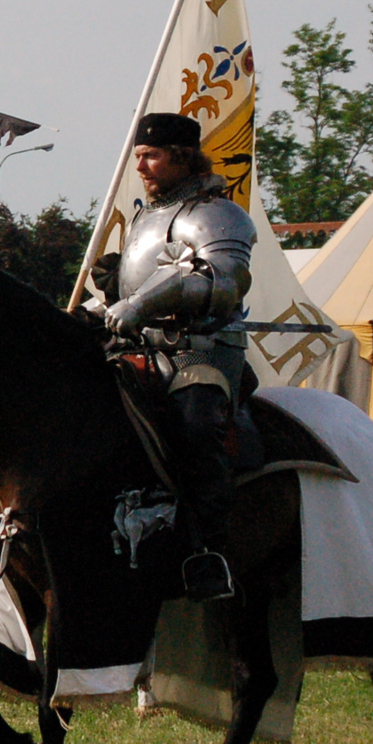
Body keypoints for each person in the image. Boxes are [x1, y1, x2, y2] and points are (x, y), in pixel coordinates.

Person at [88, 111, 255, 603]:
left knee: (195, 422)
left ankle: (209, 552)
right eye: (139, 155)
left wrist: (139, 303)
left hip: (200, 352)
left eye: (151, 156)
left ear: (183, 157)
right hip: (137, 350)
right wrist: (112, 286)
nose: (141, 166)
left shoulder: (219, 214)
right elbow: (129, 293)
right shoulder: (146, 215)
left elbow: (222, 283)